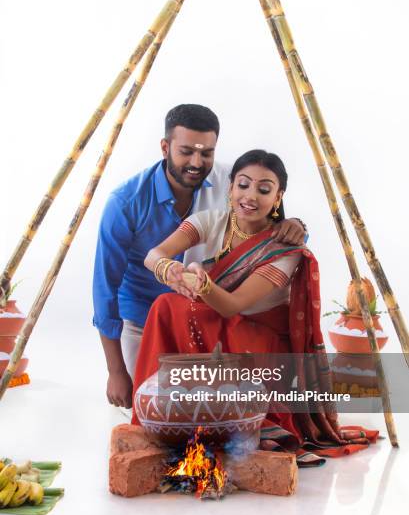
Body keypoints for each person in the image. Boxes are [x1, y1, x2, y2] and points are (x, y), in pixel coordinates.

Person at [132, 149, 378, 460]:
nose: (250, 196)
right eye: (243, 185)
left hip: (262, 344)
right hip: (221, 329)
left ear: (278, 197)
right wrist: (169, 269)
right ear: (230, 187)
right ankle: (157, 419)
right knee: (166, 305)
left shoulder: (285, 248)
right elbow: (154, 253)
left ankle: (232, 421)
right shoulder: (211, 221)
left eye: (263, 189)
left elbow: (232, 306)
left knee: (183, 308)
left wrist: (203, 283)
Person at [93, 105, 306, 411]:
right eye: (186, 151)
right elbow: (105, 287)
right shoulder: (125, 203)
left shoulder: (229, 181)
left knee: (210, 414)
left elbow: (270, 235)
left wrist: (296, 225)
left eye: (206, 152)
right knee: (148, 408)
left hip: (214, 315)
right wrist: (116, 372)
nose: (196, 162)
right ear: (165, 147)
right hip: (144, 318)